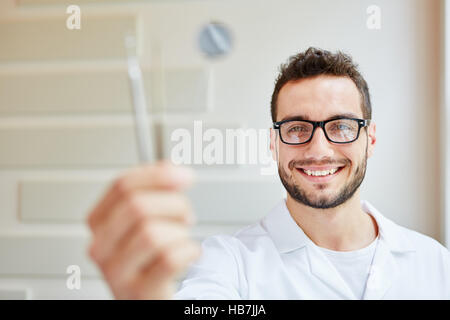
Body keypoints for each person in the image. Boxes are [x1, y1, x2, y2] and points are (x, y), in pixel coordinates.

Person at [87, 47, 450, 300]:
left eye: (340, 126)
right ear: (274, 143)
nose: (319, 149)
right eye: (296, 128)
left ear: (369, 139)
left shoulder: (435, 262)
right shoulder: (227, 262)